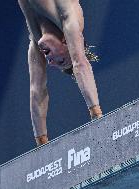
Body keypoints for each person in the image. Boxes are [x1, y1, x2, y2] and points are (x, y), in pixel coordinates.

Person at [18, 0, 103, 146]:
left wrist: (42, 144)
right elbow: (80, 63)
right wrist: (97, 116)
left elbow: (36, 90)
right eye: (61, 61)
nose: (50, 63)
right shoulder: (69, 16)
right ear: (66, 41)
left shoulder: (35, 40)